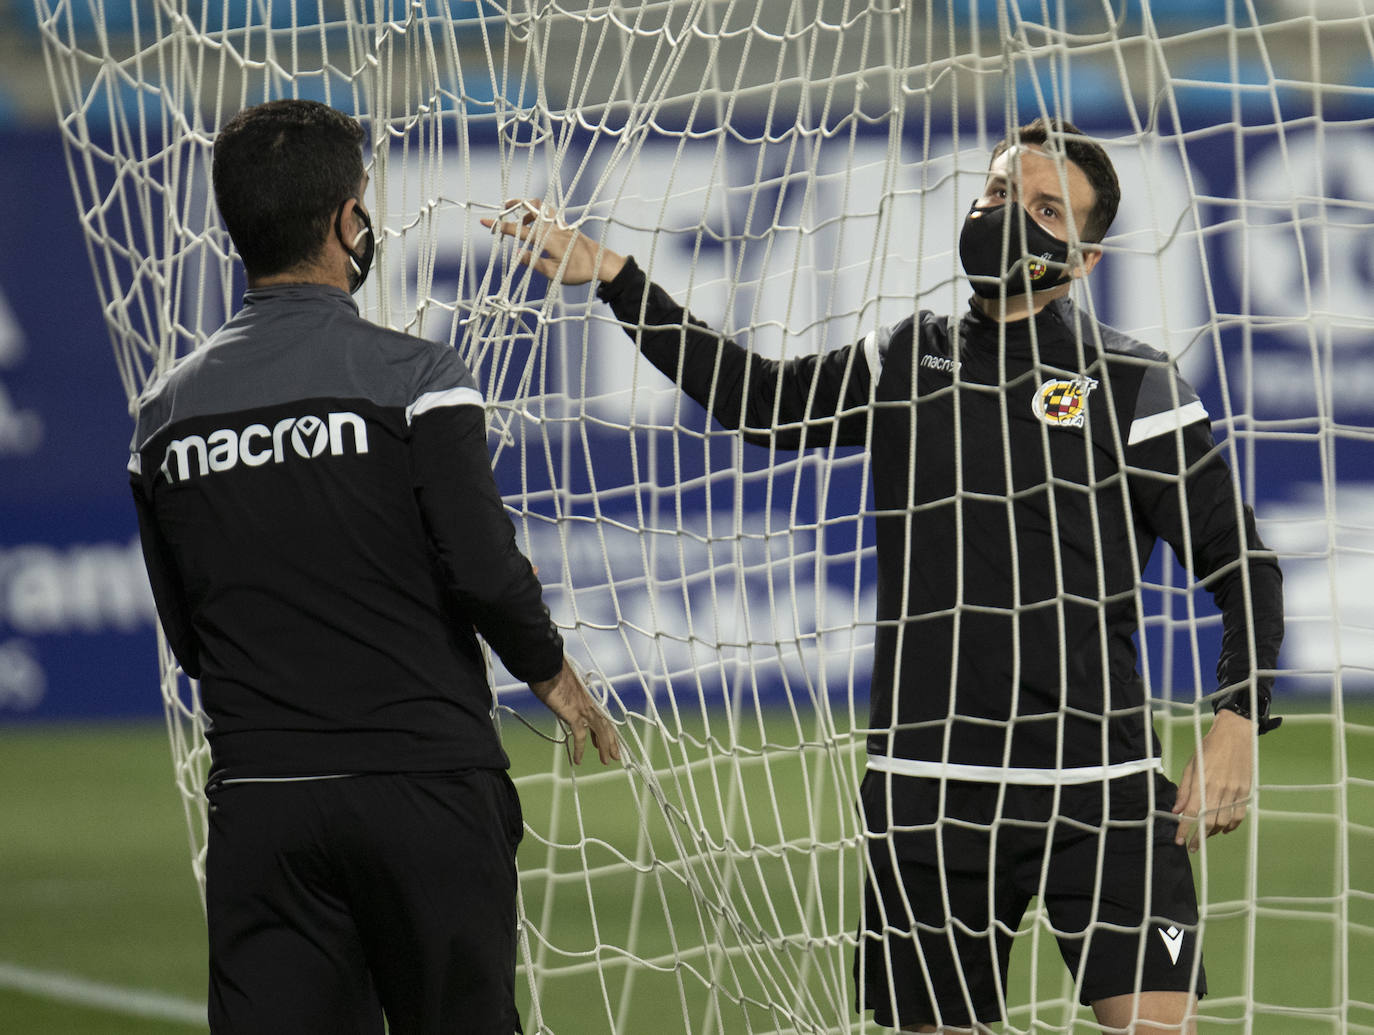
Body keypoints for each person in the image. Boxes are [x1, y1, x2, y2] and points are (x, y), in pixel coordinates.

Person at [485, 116, 1283, 1032]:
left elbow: (1244, 570)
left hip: (1102, 795)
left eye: (1045, 209)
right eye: (996, 192)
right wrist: (619, 281)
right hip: (928, 792)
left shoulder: (1138, 388)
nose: (1006, 214)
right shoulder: (907, 360)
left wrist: (1237, 720)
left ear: (1088, 260)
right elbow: (759, 401)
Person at [129, 99, 619, 1035]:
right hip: (425, 789)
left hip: (264, 804)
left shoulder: (163, 418)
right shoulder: (417, 378)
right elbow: (482, 568)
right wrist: (551, 673)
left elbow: (189, 634)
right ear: (344, 222)